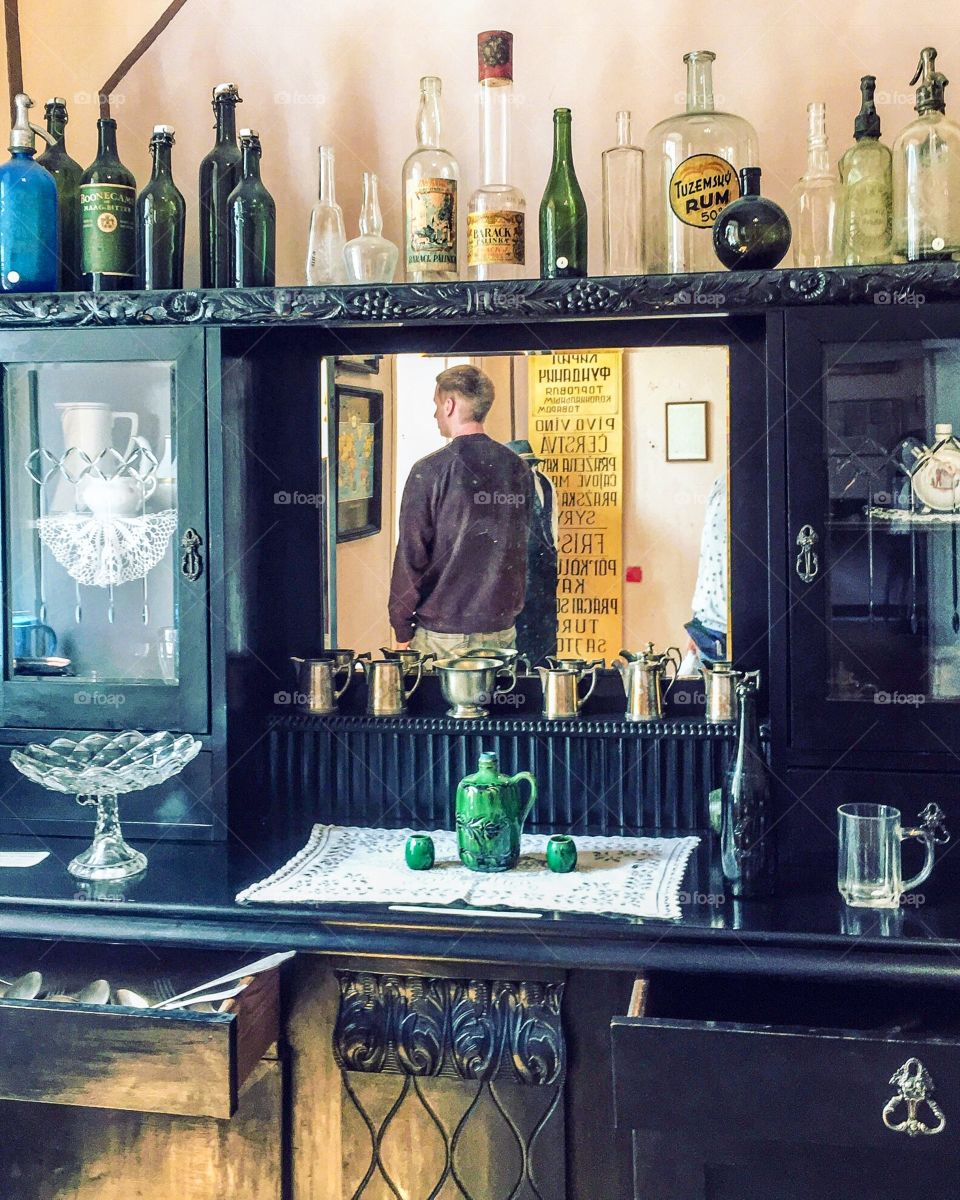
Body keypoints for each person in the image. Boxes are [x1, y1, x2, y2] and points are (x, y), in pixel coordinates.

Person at [389, 364, 534, 658]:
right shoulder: (517, 468)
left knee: (435, 706)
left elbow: (410, 555)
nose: (434, 414)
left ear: (449, 404)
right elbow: (522, 548)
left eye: (436, 405)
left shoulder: (429, 471)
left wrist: (401, 627)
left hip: (443, 637)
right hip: (502, 631)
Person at [506, 439, 558, 666]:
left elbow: (552, 521)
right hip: (514, 566)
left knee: (544, 627)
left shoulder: (546, 483)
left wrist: (552, 550)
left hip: (544, 565)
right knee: (518, 630)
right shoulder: (503, 487)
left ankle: (544, 677)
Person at [683, 472, 728, 668]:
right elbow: (708, 558)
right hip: (707, 630)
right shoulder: (721, 481)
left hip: (739, 631)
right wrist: (696, 623)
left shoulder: (765, 479)